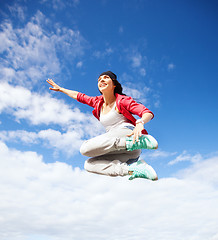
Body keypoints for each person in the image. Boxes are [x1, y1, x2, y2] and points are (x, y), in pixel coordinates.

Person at [46, 71, 158, 180]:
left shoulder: (122, 101)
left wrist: (140, 123)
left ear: (114, 84)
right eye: (99, 79)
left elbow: (146, 112)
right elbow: (79, 96)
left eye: (106, 77)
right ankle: (134, 170)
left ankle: (136, 142)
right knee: (89, 164)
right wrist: (61, 89)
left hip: (129, 134)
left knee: (85, 148)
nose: (102, 80)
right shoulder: (97, 102)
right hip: (129, 153)